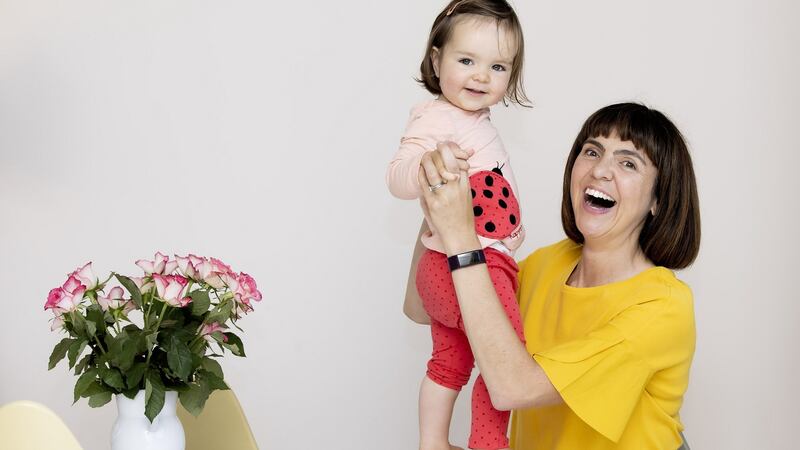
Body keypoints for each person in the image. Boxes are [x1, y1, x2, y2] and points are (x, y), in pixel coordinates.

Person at [408, 103, 700, 450]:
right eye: (592, 151)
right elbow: (422, 307)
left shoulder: (662, 307)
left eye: (628, 163)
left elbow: (511, 388)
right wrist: (439, 211)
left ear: (658, 201)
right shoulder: (546, 265)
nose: (601, 171)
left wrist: (460, 236)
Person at [386, 1, 531, 449]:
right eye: (466, 60)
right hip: (470, 267)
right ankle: (489, 445)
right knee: (504, 358)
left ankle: (432, 442)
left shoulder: (474, 120)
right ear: (436, 60)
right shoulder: (435, 118)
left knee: (449, 362)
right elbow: (397, 176)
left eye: (498, 66)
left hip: (443, 267)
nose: (481, 76)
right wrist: (427, 165)